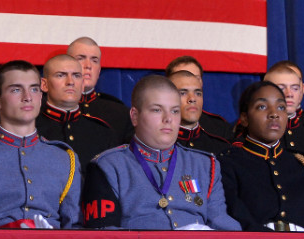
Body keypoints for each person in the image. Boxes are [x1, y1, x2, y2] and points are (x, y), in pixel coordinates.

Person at [81, 75, 240, 230]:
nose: (168, 119)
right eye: (157, 110)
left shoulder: (206, 165)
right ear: (135, 117)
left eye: (175, 111)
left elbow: (223, 225)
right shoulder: (108, 166)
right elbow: (105, 235)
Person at [0, 60, 80, 228]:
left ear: (41, 97)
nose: (27, 97)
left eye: (34, 89)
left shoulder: (64, 158)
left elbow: (75, 228)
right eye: (16, 90)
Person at [218, 81, 304, 232]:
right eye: (262, 107)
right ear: (244, 118)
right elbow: (235, 217)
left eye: (281, 107)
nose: (274, 114)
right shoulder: (226, 165)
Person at [36, 54, 118, 172]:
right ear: (44, 85)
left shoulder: (103, 133)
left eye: (76, 76)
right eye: (61, 75)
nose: (70, 82)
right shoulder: (30, 128)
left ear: (83, 84)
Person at [68, 37, 132, 141]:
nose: (88, 66)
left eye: (94, 60)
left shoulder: (120, 113)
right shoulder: (48, 107)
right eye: (81, 58)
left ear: (99, 70)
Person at [165, 56, 235, 140]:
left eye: (195, 78)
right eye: (183, 76)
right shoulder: (155, 131)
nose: (190, 81)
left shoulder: (220, 129)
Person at [169, 70, 230, 153]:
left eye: (198, 93)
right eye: (183, 93)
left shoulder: (221, 148)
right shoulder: (155, 145)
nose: (192, 99)